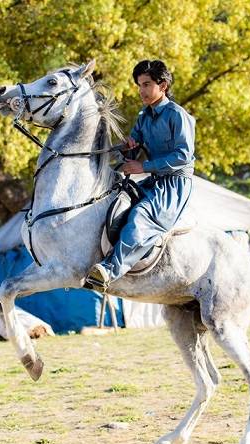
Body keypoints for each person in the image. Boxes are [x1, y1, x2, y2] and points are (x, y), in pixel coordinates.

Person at [84, 59, 195, 291]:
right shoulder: (144, 116)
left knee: (141, 216)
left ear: (162, 86)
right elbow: (132, 149)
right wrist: (128, 148)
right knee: (116, 201)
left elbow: (183, 156)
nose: (141, 90)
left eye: (146, 84)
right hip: (153, 181)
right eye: (139, 85)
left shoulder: (178, 115)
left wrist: (143, 167)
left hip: (175, 186)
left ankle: (109, 271)